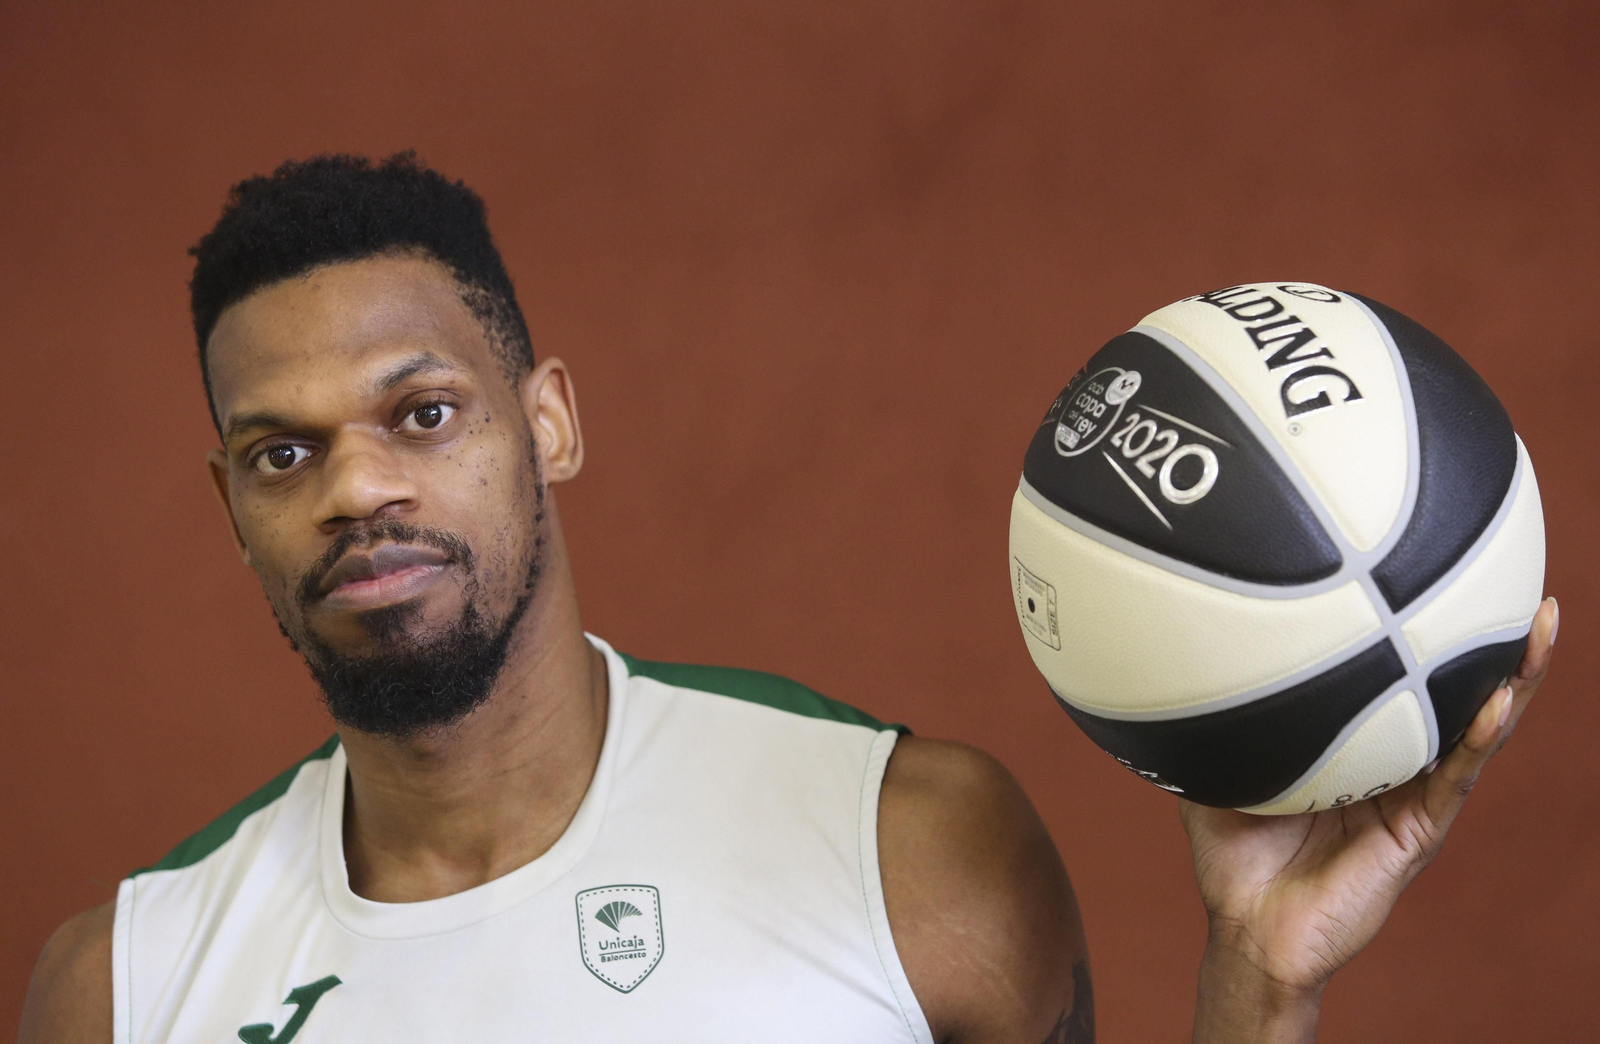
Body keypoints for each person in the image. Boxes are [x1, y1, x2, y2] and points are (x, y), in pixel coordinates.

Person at [19, 153, 1558, 1044]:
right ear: (232, 507)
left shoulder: (912, 845)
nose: (355, 490)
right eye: (283, 451)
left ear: (547, 421)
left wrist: (1261, 989)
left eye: (423, 415)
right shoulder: (130, 981)